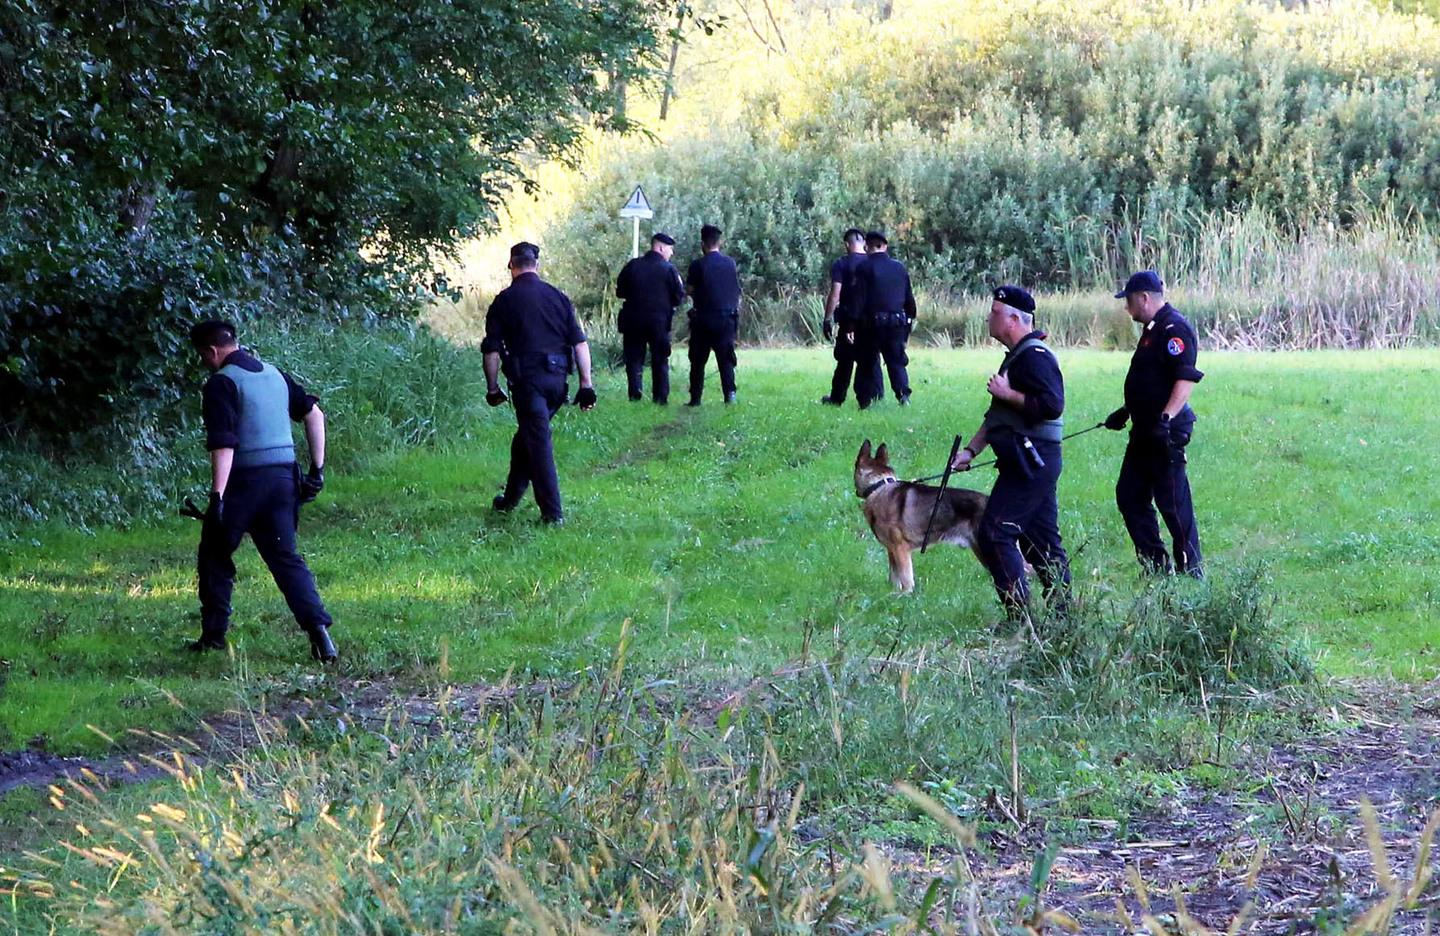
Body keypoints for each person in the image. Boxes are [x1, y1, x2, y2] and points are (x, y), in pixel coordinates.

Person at [188, 319, 337, 662]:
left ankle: (212, 637)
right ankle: (321, 636)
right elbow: (315, 414)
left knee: (214, 553)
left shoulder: (221, 384)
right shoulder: (274, 375)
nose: (204, 363)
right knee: (286, 558)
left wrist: (217, 499)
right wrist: (317, 470)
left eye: (202, 356)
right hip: (284, 479)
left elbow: (224, 445)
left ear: (212, 351)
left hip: (245, 481)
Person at [950, 286, 1071, 618]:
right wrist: (971, 451)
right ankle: (1063, 613)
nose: (989, 317)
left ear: (1015, 319)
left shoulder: (1036, 357)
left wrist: (1009, 393)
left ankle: (1019, 617)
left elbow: (1052, 404)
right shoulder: (1017, 355)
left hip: (1032, 461)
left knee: (994, 532)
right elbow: (998, 417)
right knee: (1041, 542)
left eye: (995, 312)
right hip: (1025, 460)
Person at [482, 242, 597, 525]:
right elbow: (579, 343)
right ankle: (508, 500)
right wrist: (586, 384)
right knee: (528, 438)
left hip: (528, 381)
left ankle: (552, 514)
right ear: (536, 264)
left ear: (511, 265)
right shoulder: (558, 297)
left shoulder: (504, 301)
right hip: (558, 382)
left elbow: (492, 350)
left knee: (538, 441)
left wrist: (493, 388)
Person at [1103, 271, 1205, 576]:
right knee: (1129, 495)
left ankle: (1191, 570)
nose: (1127, 308)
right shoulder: (1152, 329)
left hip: (1165, 432)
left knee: (1172, 503)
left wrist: (1166, 418)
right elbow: (1153, 379)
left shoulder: (1174, 329)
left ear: (1145, 298)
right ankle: (1156, 566)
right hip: (1144, 430)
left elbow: (1185, 378)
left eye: (1130, 301)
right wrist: (1126, 409)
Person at [616, 232, 684, 404]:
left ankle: (635, 394)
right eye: (670, 249)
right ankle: (660, 398)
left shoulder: (632, 266)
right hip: (658, 323)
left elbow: (620, 292)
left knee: (634, 360)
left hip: (632, 321)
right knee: (660, 360)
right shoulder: (669, 270)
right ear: (660, 247)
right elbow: (678, 297)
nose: (672, 253)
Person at [851, 230, 916, 408]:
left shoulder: (863, 268)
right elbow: (908, 298)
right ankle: (903, 396)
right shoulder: (899, 268)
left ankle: (864, 400)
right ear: (885, 246)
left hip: (870, 326)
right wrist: (910, 317)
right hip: (896, 324)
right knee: (896, 362)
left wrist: (851, 324)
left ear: (867, 246)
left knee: (866, 364)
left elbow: (859, 300)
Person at [820, 228, 882, 406]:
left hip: (848, 319)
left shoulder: (841, 264)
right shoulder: (873, 263)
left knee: (845, 360)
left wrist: (827, 318)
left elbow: (835, 294)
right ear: (863, 243)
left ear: (847, 244)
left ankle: (837, 397)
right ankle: (875, 395)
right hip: (871, 319)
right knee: (871, 359)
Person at [685, 224, 743, 405]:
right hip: (726, 319)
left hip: (703, 319)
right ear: (720, 242)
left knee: (698, 361)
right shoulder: (730, 264)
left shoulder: (697, 266)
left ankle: (695, 398)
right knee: (725, 360)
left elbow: (689, 290)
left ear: (703, 244)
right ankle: (730, 395)